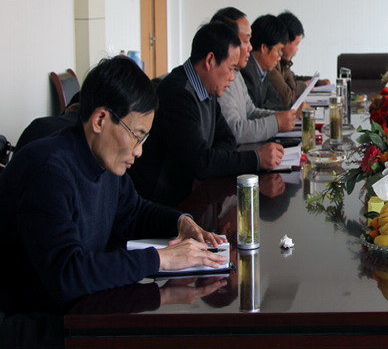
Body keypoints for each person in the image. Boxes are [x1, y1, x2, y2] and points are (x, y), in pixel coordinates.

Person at [0, 56, 227, 312]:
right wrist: (160, 259)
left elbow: (134, 213)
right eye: (136, 136)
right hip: (32, 318)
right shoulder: (47, 169)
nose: (139, 151)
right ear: (100, 120)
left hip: (81, 308)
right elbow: (67, 274)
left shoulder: (101, 161)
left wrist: (181, 222)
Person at [129, 22, 283, 207]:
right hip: (162, 204)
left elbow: (227, 139)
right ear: (210, 61)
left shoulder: (206, 89)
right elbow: (201, 162)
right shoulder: (177, 93)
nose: (232, 78)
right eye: (231, 69)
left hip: (192, 196)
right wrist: (256, 159)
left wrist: (211, 161)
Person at [211, 7, 296, 144]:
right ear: (227, 41)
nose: (250, 47)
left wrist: (281, 117)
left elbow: (250, 112)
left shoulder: (236, 72)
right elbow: (235, 131)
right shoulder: (221, 77)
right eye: (246, 41)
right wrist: (276, 122)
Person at [241, 14, 290, 111]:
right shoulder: (246, 71)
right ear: (264, 48)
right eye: (278, 51)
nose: (279, 58)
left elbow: (277, 101)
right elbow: (253, 111)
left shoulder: (264, 71)